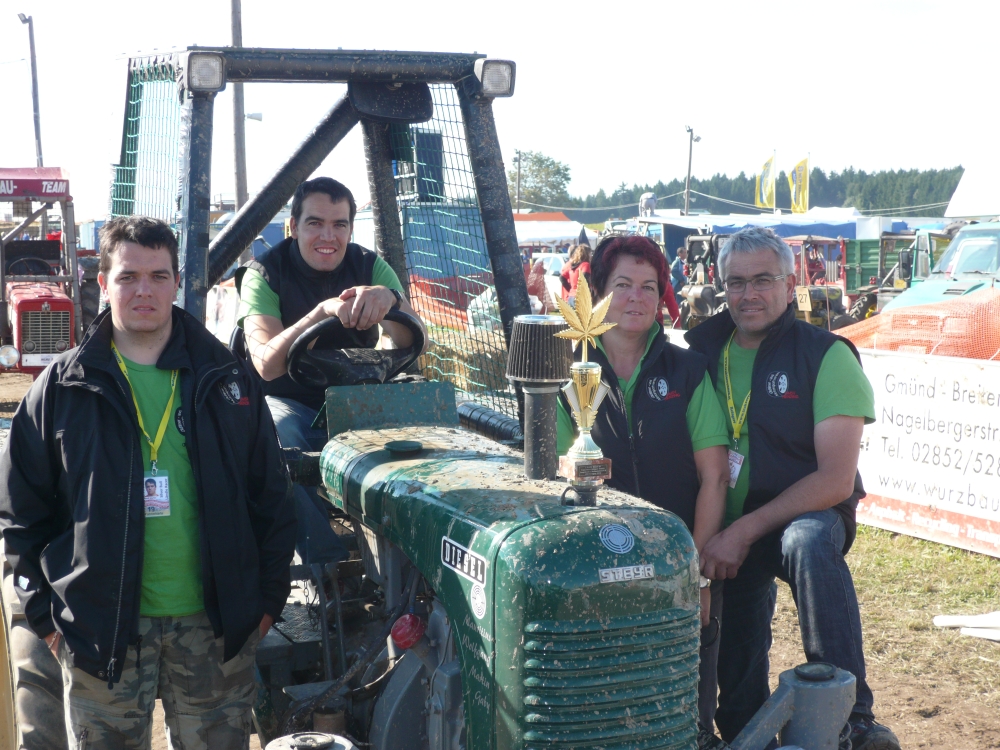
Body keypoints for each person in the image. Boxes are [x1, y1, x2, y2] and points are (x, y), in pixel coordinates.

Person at [0, 215, 296, 749]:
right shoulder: (61, 389)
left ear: (176, 283)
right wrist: (47, 622)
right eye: (128, 276)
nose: (144, 290)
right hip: (100, 630)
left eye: (159, 276)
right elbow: (20, 515)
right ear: (102, 282)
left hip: (214, 633)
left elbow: (271, 500)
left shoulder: (227, 381)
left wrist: (266, 605)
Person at [686, 227, 900, 750]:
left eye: (763, 280)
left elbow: (835, 480)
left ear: (790, 283)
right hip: (727, 527)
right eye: (736, 282)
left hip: (801, 516)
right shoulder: (701, 349)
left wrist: (743, 531)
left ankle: (853, 716)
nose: (749, 294)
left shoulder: (827, 354)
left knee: (807, 541)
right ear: (721, 286)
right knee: (739, 706)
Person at [556, 235, 730, 740]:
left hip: (678, 566)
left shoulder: (689, 370)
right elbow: (555, 479)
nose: (636, 297)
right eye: (623, 285)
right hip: (596, 568)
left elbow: (715, 477)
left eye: (649, 286)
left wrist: (696, 578)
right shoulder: (565, 373)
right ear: (597, 293)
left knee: (684, 715)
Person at [237, 177, 426, 569]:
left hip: (358, 401)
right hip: (290, 402)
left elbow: (416, 340)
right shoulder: (263, 274)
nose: (328, 236)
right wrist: (321, 312)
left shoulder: (370, 266)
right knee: (278, 433)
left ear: (351, 229)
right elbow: (266, 364)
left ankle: (407, 561)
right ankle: (329, 569)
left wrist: (390, 300)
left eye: (339, 224)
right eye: (315, 223)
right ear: (293, 226)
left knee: (422, 426)